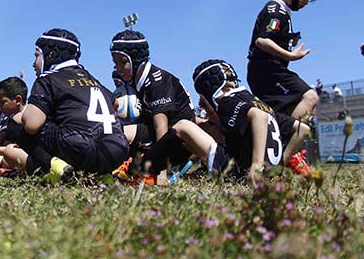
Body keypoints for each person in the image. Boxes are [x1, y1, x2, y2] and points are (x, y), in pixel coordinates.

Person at [109, 30, 219, 184]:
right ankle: (121, 166)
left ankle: (147, 172)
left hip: (177, 140)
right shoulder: (136, 79)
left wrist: (160, 169)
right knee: (114, 129)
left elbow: (162, 127)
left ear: (135, 60)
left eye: (123, 62)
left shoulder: (156, 82)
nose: (118, 68)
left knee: (121, 133)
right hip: (157, 133)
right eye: (115, 63)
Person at [21, 28, 129, 183]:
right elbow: (115, 103)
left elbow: (32, 125)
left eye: (37, 56)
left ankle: (55, 168)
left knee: (17, 124)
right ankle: (102, 175)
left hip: (81, 147)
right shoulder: (91, 78)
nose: (34, 63)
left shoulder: (48, 79)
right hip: (118, 148)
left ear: (50, 55)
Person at [193, 59, 311, 180]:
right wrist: (280, 164)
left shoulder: (227, 102)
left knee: (187, 129)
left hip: (245, 172)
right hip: (269, 176)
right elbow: (302, 129)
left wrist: (257, 165)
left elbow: (259, 117)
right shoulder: (258, 103)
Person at [247, 0, 320, 119]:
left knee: (283, 112)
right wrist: (290, 55)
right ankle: (288, 137)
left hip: (267, 71)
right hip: (268, 71)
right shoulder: (276, 11)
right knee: (310, 98)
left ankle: (280, 136)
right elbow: (262, 40)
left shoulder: (282, 12)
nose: (305, 2)